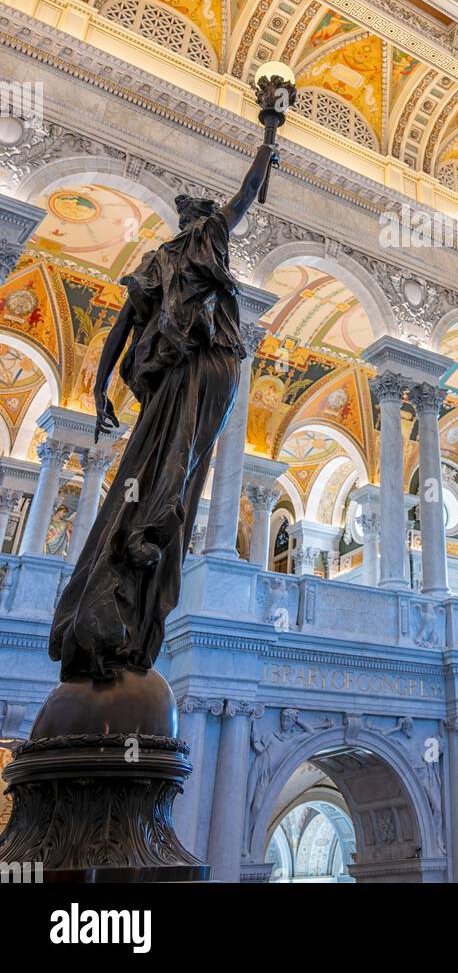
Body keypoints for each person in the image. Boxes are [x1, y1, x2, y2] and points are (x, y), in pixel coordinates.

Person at [48, 142, 276, 681]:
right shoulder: (203, 242)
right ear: (205, 225)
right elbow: (245, 196)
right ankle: (145, 530)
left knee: (172, 454)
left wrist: (101, 387)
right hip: (207, 362)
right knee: (181, 454)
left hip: (186, 365)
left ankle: (146, 530)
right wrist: (269, 137)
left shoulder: (158, 260)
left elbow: (123, 325)